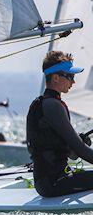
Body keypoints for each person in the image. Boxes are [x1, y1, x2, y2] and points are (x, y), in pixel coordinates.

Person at [27, 50, 93, 197]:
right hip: (54, 183)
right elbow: (80, 150)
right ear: (55, 78)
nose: (73, 82)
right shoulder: (53, 105)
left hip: (50, 181)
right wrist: (79, 146)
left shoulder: (43, 103)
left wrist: (78, 145)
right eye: (70, 76)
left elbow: (73, 154)